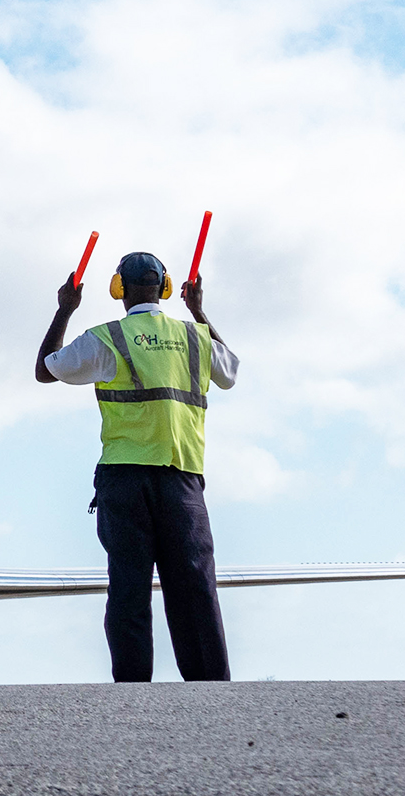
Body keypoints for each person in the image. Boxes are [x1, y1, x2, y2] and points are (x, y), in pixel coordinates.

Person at [35, 250, 239, 682]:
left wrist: (65, 309)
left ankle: (132, 693)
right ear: (166, 288)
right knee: (195, 589)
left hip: (124, 478)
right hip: (182, 476)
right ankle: (212, 693)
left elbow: (46, 369)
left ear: (118, 289)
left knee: (128, 588)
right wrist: (199, 312)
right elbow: (230, 373)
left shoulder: (108, 337)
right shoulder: (195, 337)